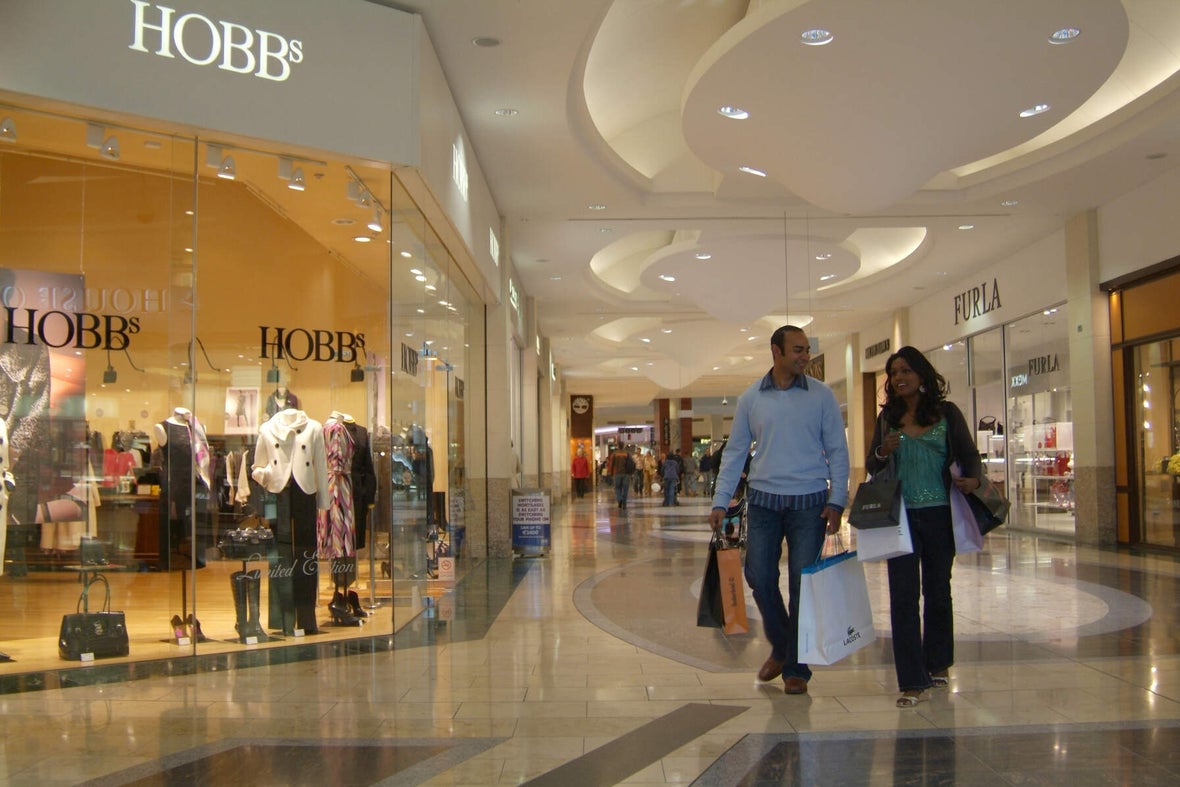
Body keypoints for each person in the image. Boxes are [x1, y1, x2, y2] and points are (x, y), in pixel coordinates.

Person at [709, 325, 849, 696]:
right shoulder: (751, 398)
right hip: (765, 501)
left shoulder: (822, 397)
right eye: (798, 350)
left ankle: (795, 668)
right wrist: (721, 500)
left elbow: (837, 449)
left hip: (811, 503)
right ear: (776, 351)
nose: (805, 356)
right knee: (759, 577)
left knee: (802, 587)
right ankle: (785, 645)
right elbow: (735, 453)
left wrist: (837, 500)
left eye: (807, 350)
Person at [865, 346, 982, 708]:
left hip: (938, 514)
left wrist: (973, 481)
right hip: (898, 517)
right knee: (902, 597)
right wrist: (883, 451)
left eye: (905, 371)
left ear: (921, 374)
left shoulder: (946, 413)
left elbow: (969, 456)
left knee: (937, 590)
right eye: (894, 373)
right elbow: (872, 465)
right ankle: (911, 680)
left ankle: (937, 663)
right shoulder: (887, 418)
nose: (899, 378)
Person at [608, 444, 634, 510]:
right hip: (626, 474)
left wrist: (610, 473)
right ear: (624, 446)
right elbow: (632, 463)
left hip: (617, 473)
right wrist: (631, 473)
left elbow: (611, 464)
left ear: (618, 446)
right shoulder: (627, 453)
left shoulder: (615, 454)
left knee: (617, 488)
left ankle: (620, 499)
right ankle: (624, 504)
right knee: (625, 489)